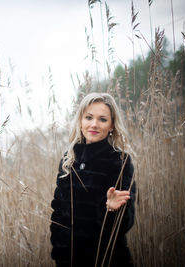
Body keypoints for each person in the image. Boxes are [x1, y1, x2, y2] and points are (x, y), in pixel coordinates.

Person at [50, 92, 136, 267]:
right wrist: (60, 249)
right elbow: (58, 212)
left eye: (102, 119)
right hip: (68, 260)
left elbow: (126, 222)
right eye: (89, 117)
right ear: (81, 121)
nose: (94, 124)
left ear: (112, 125)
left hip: (106, 259)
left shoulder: (119, 161)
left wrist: (111, 210)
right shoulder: (69, 160)